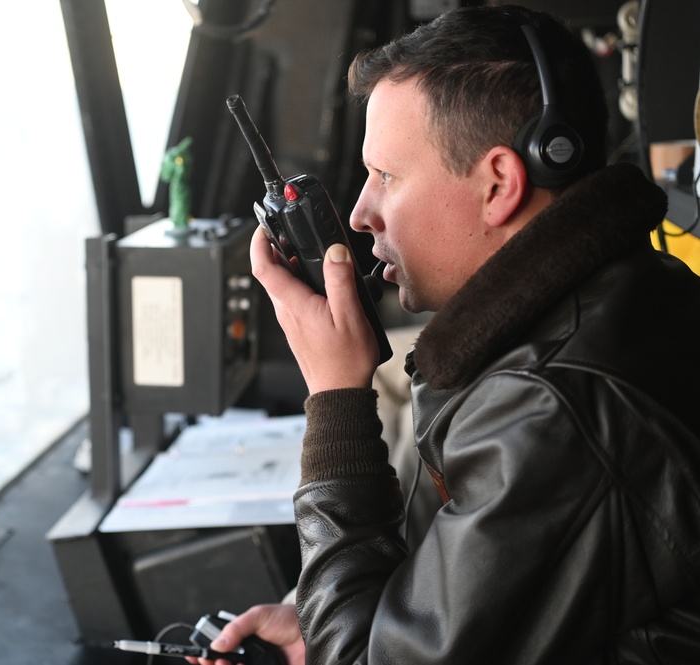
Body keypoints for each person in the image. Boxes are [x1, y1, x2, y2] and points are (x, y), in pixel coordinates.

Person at [197, 4, 700, 664]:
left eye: (385, 176)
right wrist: (328, 618)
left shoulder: (550, 409)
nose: (359, 213)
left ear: (497, 184)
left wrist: (336, 401)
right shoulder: (631, 287)